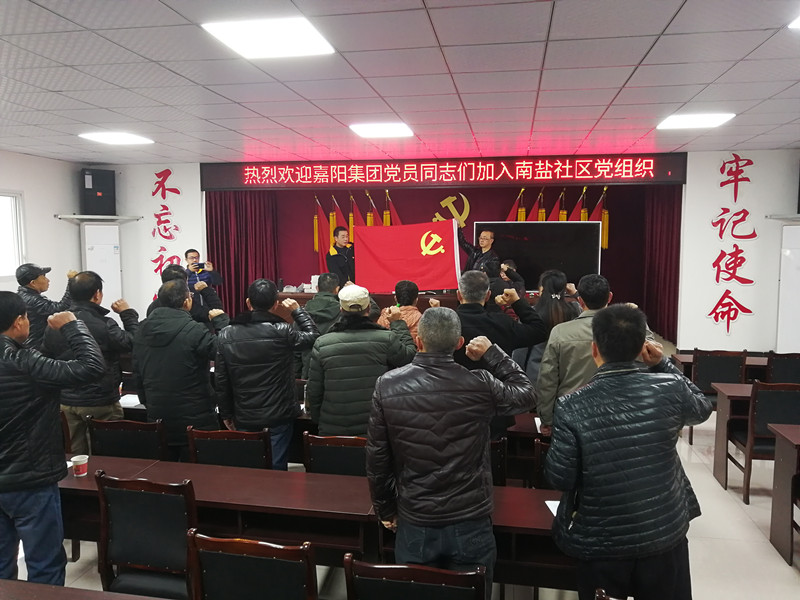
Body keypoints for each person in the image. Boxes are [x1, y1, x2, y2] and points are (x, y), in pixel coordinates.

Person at [544, 304, 712, 600]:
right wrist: (663, 364)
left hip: (601, 540)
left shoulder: (571, 405)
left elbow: (560, 478)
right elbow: (702, 408)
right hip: (663, 529)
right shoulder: (670, 386)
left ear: (594, 350)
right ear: (642, 348)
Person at [366, 307, 536, 599]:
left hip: (416, 514)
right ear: (459, 343)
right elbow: (527, 393)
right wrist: (492, 353)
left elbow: (378, 457)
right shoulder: (480, 382)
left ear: (418, 341)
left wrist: (386, 509)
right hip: (470, 516)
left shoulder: (388, 385)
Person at [0, 291, 104, 585]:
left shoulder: (27, 359)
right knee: (44, 564)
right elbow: (92, 367)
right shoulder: (24, 362)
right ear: (19, 321)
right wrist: (72, 326)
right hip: (29, 480)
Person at [216, 279, 319, 470]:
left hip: (244, 413)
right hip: (279, 413)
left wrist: (226, 413)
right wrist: (298, 311)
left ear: (248, 303)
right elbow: (313, 336)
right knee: (276, 467)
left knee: (250, 467)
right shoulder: (283, 331)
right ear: (276, 304)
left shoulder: (226, 334)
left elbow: (222, 380)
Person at [41, 271, 139, 455]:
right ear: (97, 294)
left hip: (66, 401)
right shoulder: (104, 324)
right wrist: (127, 314)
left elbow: (47, 357)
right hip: (100, 401)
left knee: (76, 455)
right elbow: (134, 342)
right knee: (108, 453)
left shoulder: (54, 324)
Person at [133, 279, 229, 461]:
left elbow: (138, 372)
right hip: (197, 418)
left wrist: (147, 402)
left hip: (158, 414)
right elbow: (225, 351)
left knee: (165, 472)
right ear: (187, 301)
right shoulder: (194, 330)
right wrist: (222, 322)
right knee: (200, 472)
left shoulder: (141, 330)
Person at [307, 284, 415, 436]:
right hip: (374, 428)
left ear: (341, 309)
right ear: (369, 308)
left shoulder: (322, 343)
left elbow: (314, 391)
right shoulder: (386, 339)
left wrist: (320, 420)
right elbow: (410, 359)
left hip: (333, 429)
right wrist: (397, 323)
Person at [536, 274, 612, 436]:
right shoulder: (626, 330)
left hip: (569, 414)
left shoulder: (560, 332)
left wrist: (546, 419)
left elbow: (548, 380)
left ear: (580, 301)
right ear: (610, 297)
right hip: (612, 413)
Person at [512, 269, 581, 385]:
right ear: (564, 289)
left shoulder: (530, 313)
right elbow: (590, 312)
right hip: (568, 375)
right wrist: (575, 293)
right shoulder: (575, 310)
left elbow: (520, 351)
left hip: (536, 375)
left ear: (541, 289)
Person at [15, 263, 77, 350]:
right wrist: (71, 281)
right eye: (43, 277)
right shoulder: (33, 300)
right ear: (33, 283)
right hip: (37, 347)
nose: (48, 280)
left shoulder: (22, 296)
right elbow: (61, 309)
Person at [148, 264, 223, 330]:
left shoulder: (152, 307)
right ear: (184, 282)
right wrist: (206, 290)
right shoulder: (187, 304)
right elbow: (216, 314)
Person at [300, 272, 341, 378]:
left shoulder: (301, 312)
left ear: (317, 288)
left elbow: (296, 349)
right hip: (334, 370)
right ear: (337, 289)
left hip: (308, 370)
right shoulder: (343, 312)